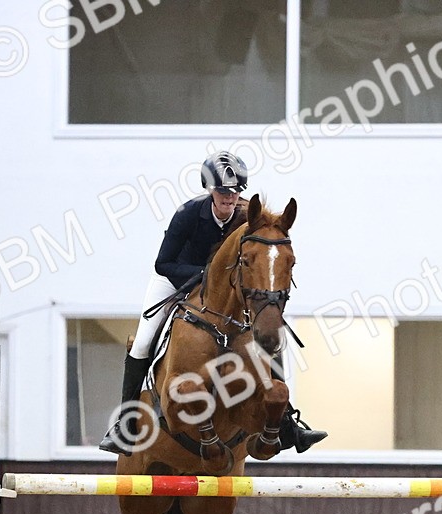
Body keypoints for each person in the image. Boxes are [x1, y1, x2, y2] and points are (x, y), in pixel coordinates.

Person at [99, 151, 327, 456]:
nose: (229, 199)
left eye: (234, 193)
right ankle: (124, 426)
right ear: (210, 190)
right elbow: (162, 263)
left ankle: (287, 423)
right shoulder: (188, 214)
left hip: (225, 287)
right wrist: (207, 274)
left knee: (271, 333)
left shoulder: (248, 216)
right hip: (176, 279)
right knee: (142, 342)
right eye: (222, 192)